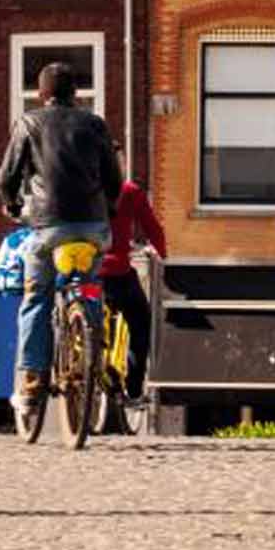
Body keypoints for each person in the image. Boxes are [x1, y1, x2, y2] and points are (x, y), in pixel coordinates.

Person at [0, 62, 123, 415]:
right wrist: (108, 209)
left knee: (37, 296)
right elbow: (114, 178)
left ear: (41, 94)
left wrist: (11, 204)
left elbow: (7, 175)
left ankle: (33, 381)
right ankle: (92, 351)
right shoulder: (96, 125)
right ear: (75, 95)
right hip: (93, 227)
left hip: (48, 226)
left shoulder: (28, 122)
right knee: (90, 284)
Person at [101, 146, 167, 403]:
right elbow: (151, 225)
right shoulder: (129, 191)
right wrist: (161, 251)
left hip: (86, 270)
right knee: (140, 321)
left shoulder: (87, 190)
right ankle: (134, 388)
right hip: (117, 270)